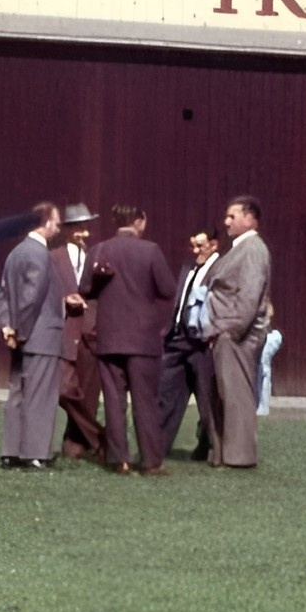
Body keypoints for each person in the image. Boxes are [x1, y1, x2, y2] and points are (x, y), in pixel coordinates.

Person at [89, 203, 179, 473]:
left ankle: (119, 459)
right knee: (145, 401)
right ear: (140, 220)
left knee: (114, 400)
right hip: (142, 339)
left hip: (109, 337)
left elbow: (85, 289)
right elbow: (167, 289)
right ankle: (151, 461)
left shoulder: (99, 250)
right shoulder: (150, 251)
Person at [204, 196, 273, 469]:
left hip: (237, 335)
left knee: (237, 395)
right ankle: (224, 452)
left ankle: (240, 456)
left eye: (232, 216)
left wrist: (232, 330)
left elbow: (250, 293)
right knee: (225, 394)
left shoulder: (253, 249)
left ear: (249, 218)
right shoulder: (240, 248)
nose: (226, 222)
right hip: (225, 332)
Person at [0, 202, 66, 468]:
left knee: (18, 394)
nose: (58, 227)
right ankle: (34, 453)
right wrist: (22, 331)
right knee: (40, 395)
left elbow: (2, 294)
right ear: (45, 222)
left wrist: (8, 327)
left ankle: (11, 451)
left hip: (19, 335)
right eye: (56, 222)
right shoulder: (39, 254)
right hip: (39, 335)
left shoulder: (15, 253)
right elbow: (32, 297)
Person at [159, 228, 222, 462]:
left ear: (214, 245)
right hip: (177, 338)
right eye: (192, 245)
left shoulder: (221, 269)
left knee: (207, 398)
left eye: (200, 246)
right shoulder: (189, 267)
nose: (195, 251)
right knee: (166, 392)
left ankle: (213, 448)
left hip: (202, 342)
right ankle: (157, 446)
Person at [52, 203, 109, 463]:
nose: (84, 232)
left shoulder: (97, 256)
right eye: (78, 227)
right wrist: (64, 300)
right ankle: (101, 438)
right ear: (67, 229)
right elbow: (46, 291)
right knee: (63, 389)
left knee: (87, 393)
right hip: (64, 330)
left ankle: (74, 446)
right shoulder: (53, 257)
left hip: (91, 331)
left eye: (86, 227)